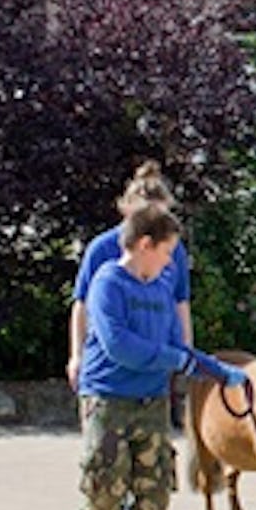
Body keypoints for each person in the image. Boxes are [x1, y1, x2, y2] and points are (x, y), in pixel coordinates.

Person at [77, 203, 247, 510]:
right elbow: (121, 347)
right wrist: (176, 360)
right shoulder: (108, 284)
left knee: (154, 486)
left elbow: (176, 344)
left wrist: (219, 371)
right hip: (108, 398)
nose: (172, 260)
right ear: (144, 245)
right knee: (106, 482)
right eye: (167, 250)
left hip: (150, 400)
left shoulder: (160, 286)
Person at [68, 161, 193, 426]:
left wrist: (186, 353)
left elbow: (180, 302)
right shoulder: (102, 249)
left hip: (153, 377)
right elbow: (81, 304)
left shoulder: (174, 250)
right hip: (109, 379)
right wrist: (76, 355)